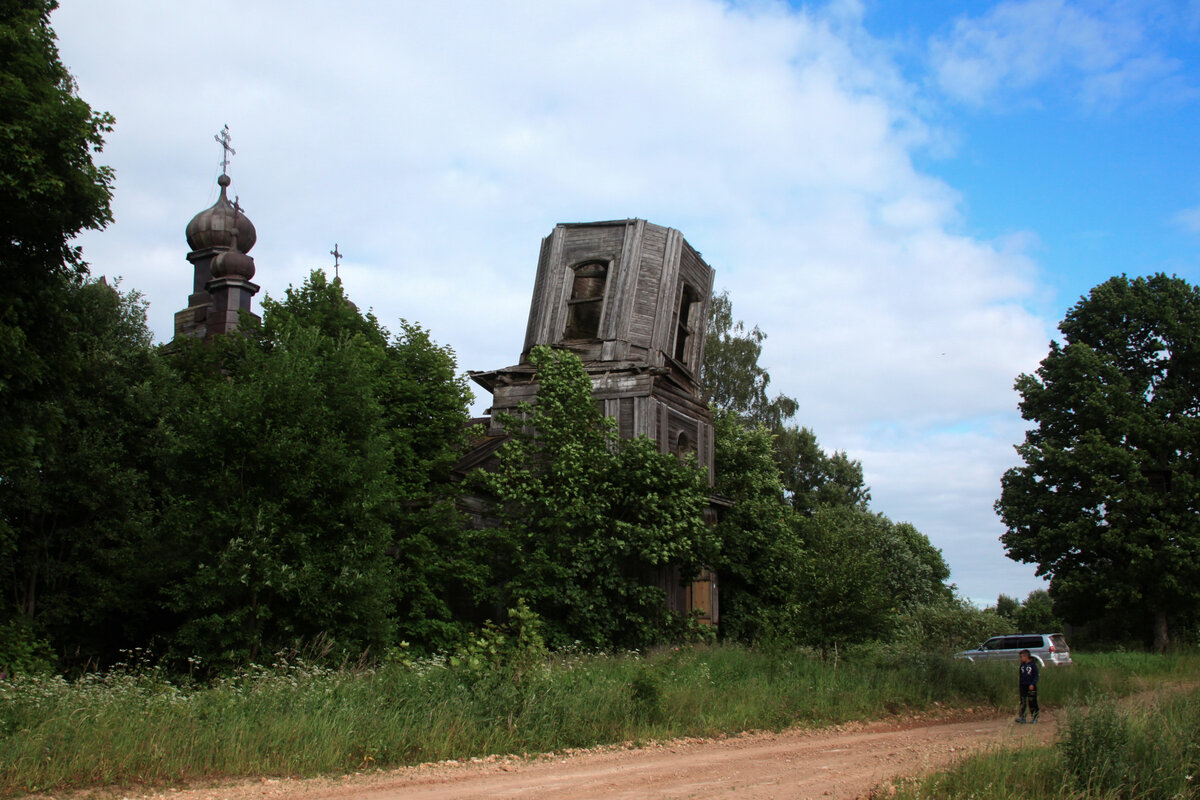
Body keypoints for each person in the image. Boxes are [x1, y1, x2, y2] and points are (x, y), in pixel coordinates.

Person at [1016, 648, 1040, 723]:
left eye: (1022, 657)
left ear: (1026, 657)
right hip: (1023, 685)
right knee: (1023, 701)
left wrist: (1033, 683)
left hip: (1030, 685)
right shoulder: (1022, 665)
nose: (1021, 658)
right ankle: (1022, 717)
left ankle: (1035, 717)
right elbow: (1020, 675)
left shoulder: (1033, 665)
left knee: (1032, 701)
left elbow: (1036, 675)